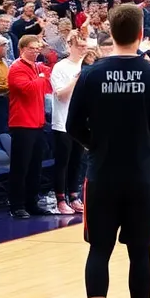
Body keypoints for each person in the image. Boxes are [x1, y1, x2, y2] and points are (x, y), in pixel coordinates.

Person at [66, 3, 150, 298]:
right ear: (141, 34)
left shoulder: (91, 74)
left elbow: (72, 126)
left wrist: (95, 146)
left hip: (100, 176)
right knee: (139, 252)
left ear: (110, 33)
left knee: (99, 250)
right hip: (142, 177)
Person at [6, 34, 52, 219]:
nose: (35, 51)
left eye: (37, 48)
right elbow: (29, 89)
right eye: (32, 48)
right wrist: (41, 77)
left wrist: (40, 77)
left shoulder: (37, 67)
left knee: (35, 166)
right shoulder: (16, 68)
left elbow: (48, 84)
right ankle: (16, 205)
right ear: (22, 49)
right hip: (22, 123)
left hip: (38, 122)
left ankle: (32, 202)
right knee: (20, 166)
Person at [50, 29, 88, 214]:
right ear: (70, 46)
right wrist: (76, 80)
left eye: (84, 46)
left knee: (77, 161)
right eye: (79, 46)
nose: (83, 49)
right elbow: (60, 95)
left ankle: (74, 195)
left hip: (80, 122)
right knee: (62, 162)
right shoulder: (61, 67)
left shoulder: (86, 65)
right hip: (62, 122)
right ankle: (60, 198)